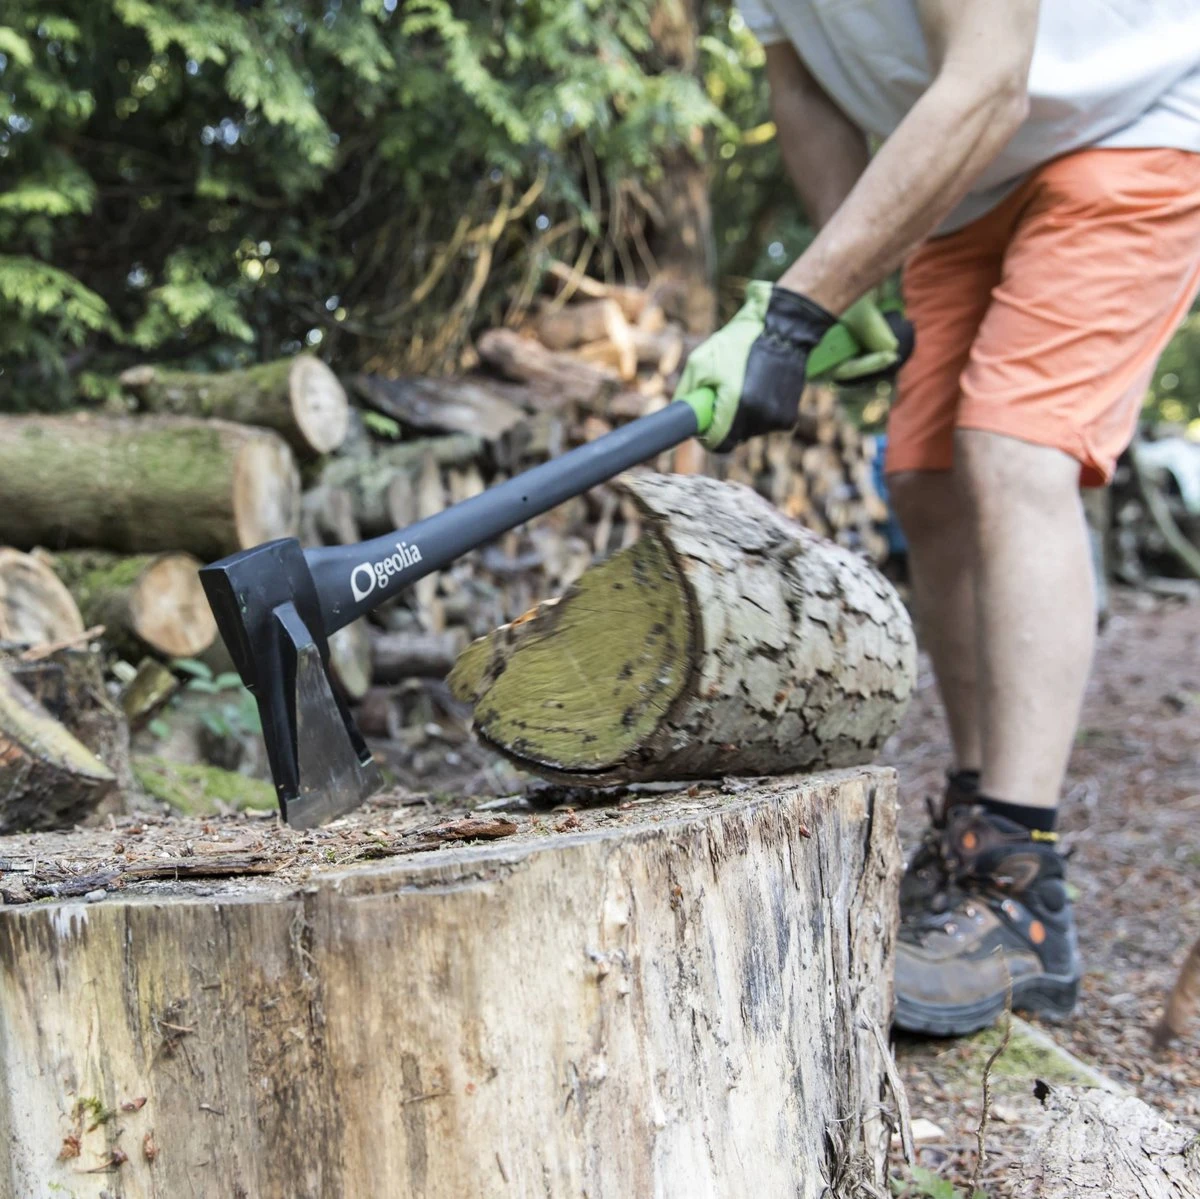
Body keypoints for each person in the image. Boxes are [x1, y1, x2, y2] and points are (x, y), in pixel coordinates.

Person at [674, 0, 1200, 1036]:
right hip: (963, 180)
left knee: (1013, 448)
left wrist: (798, 308)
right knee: (924, 474)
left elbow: (992, 73)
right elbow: (802, 83)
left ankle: (1021, 882)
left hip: (1135, 114)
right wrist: (850, 267)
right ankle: (973, 835)